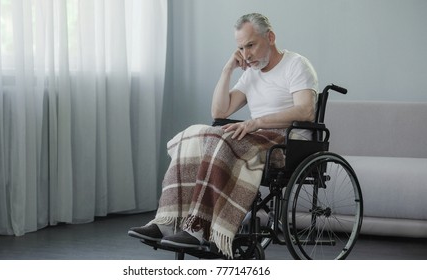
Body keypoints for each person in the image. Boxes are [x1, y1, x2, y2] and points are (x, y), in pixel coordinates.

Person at [128, 12, 318, 258]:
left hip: (287, 142)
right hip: (257, 137)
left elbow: (306, 110)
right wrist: (228, 69)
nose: (247, 54)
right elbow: (220, 111)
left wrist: (256, 122)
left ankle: (199, 228)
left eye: (251, 45)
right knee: (193, 134)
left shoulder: (296, 64)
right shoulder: (251, 73)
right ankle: (167, 221)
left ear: (270, 37)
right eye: (241, 47)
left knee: (220, 140)